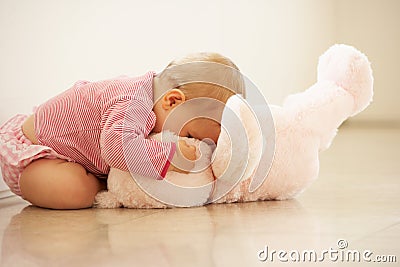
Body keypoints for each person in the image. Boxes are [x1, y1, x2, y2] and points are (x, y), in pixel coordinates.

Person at [0, 52, 244, 209]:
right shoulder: (133, 102)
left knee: (80, 183)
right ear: (172, 101)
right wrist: (172, 155)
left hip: (74, 157)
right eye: (189, 135)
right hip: (38, 153)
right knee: (75, 191)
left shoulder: (152, 100)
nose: (187, 141)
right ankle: (44, 183)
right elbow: (117, 147)